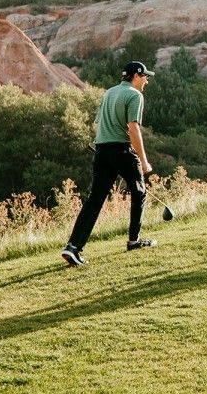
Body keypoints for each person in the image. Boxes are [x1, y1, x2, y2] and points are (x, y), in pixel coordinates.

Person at [62, 61, 157, 267]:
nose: (147, 81)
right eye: (145, 77)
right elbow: (133, 128)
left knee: (95, 200)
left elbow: (100, 124)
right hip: (121, 149)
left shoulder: (109, 93)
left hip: (102, 150)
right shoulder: (135, 95)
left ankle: (73, 247)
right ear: (136, 76)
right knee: (139, 192)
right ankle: (134, 241)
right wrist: (143, 160)